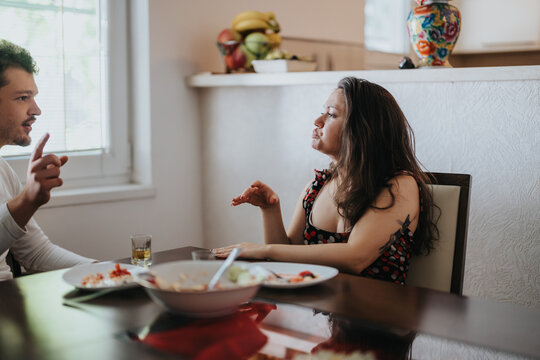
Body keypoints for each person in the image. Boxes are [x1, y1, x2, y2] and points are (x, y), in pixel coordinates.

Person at [214, 77, 438, 284]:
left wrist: (264, 250)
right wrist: (270, 210)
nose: (317, 120)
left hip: (378, 318)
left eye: (330, 114)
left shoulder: (399, 186)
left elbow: (355, 257)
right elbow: (289, 254)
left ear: (362, 128)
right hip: (323, 314)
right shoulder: (318, 185)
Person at [0, 39, 94, 280]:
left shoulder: (3, 170)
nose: (36, 110)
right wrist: (27, 201)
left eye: (34, 97)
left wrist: (110, 271)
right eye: (23, 98)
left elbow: (37, 254)